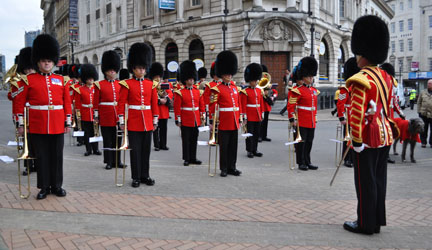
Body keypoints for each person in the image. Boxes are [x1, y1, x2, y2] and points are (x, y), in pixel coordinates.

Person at [343, 15, 394, 235]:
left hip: (367, 137)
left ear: (364, 54)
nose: (356, 58)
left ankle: (365, 223)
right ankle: (377, 220)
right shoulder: (386, 77)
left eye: (358, 53)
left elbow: (356, 114)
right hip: (385, 135)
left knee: (365, 183)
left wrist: (356, 141)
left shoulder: (361, 78)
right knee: (379, 179)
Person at [14, 34, 72, 200]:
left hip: (57, 123)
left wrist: (68, 121)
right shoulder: (28, 80)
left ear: (54, 62)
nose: (46, 63)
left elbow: (67, 102)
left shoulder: (62, 80)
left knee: (57, 156)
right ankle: (44, 187)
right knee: (42, 157)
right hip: (37, 124)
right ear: (38, 62)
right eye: (43, 61)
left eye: (49, 61)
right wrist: (21, 124)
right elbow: (19, 103)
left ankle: (57, 185)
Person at [118, 42, 159, 188]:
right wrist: (122, 121)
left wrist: (155, 120)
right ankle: (135, 177)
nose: (142, 71)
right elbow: (121, 104)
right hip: (133, 122)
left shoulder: (151, 84)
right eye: (139, 68)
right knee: (135, 151)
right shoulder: (126, 84)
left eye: (143, 68)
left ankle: (145, 175)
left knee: (146, 151)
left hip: (147, 121)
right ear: (133, 68)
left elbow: (154, 104)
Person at [209, 51, 242, 177]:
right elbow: (212, 107)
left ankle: (232, 167)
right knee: (224, 147)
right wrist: (212, 122)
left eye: (230, 73)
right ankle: (223, 168)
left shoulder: (235, 88)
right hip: (223, 122)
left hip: (234, 121)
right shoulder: (216, 89)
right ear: (222, 74)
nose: (229, 75)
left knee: (233, 147)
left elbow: (238, 105)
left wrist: (240, 118)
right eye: (226, 73)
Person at [287, 57, 319, 171]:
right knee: (301, 142)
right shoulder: (297, 90)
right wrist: (293, 119)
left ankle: (308, 161)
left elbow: (314, 107)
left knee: (309, 142)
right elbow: (291, 106)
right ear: (303, 77)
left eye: (312, 76)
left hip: (311, 120)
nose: (311, 78)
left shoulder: (314, 91)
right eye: (309, 76)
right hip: (301, 120)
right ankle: (301, 162)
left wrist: (315, 118)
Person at [94, 50, 124, 169]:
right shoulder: (99, 85)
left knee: (118, 139)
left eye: (114, 70)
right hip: (106, 117)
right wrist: (96, 117)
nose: (112, 72)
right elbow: (96, 103)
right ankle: (108, 161)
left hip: (118, 117)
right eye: (110, 70)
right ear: (105, 71)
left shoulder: (120, 84)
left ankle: (118, 161)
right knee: (107, 140)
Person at [10, 47, 38, 176]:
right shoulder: (18, 83)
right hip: (23, 117)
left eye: (31, 69)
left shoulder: (39, 81)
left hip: (36, 117)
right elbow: (15, 102)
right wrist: (19, 123)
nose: (29, 72)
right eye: (26, 69)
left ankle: (37, 164)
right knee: (25, 142)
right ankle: (28, 166)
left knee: (36, 143)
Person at [174, 60, 205, 166]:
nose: (191, 81)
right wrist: (178, 119)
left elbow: (201, 106)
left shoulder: (198, 91)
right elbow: (177, 107)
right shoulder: (180, 93)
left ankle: (193, 157)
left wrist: (202, 117)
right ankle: (186, 158)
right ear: (185, 80)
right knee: (186, 140)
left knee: (194, 139)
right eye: (189, 79)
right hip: (185, 119)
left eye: (192, 79)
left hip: (195, 118)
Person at [337, 57, 360, 168]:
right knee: (347, 139)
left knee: (356, 138)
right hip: (349, 117)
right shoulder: (345, 89)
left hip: (357, 117)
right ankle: (346, 158)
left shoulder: (359, 88)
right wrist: (342, 117)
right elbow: (340, 104)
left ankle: (354, 158)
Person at [76, 64, 101, 156]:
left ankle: (96, 149)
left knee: (96, 131)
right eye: (89, 78)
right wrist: (79, 116)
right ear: (85, 79)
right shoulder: (80, 89)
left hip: (95, 113)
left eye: (92, 78)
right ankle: (88, 149)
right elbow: (78, 105)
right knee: (87, 133)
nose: (91, 80)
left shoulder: (97, 88)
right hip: (85, 113)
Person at [240, 63, 264, 158]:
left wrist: (262, 113)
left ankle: (255, 149)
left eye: (256, 80)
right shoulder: (245, 91)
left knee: (256, 133)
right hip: (249, 116)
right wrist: (244, 117)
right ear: (250, 81)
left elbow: (261, 103)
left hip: (257, 115)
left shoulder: (259, 91)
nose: (256, 82)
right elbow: (243, 105)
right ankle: (249, 150)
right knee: (249, 133)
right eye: (254, 80)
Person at [149, 62, 172, 151]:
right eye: (156, 76)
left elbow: (170, 94)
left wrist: (165, 97)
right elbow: (151, 97)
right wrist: (159, 100)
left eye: (159, 76)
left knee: (163, 129)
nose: (158, 78)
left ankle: (163, 144)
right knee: (156, 129)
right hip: (156, 109)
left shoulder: (164, 85)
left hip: (164, 110)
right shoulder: (151, 85)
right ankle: (157, 145)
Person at [259, 65, 275, 142]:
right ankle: (259, 136)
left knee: (265, 121)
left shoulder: (267, 82)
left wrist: (267, 92)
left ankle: (264, 135)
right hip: (260, 104)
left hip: (266, 105)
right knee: (260, 121)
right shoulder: (258, 82)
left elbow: (270, 92)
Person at [417, 79, 432, 148]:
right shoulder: (423, 92)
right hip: (424, 114)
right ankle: (423, 142)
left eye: (430, 83)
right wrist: (419, 111)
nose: (429, 84)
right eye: (428, 83)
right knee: (423, 129)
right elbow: (419, 102)